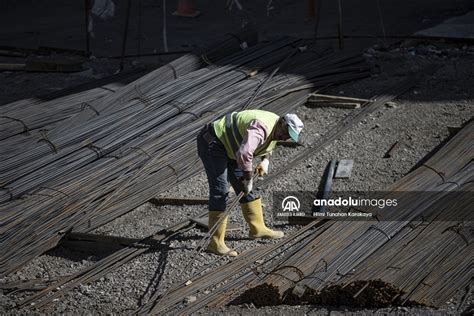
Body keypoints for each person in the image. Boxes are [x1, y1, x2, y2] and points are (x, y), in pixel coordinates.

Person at [197, 109, 304, 257]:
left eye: (289, 137)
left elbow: (268, 144)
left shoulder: (276, 128)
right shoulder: (261, 127)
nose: (285, 138)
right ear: (282, 123)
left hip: (231, 147)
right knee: (220, 190)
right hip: (213, 142)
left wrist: (265, 160)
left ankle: (257, 229)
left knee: (244, 188)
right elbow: (245, 153)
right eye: (286, 133)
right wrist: (248, 177)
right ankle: (215, 243)